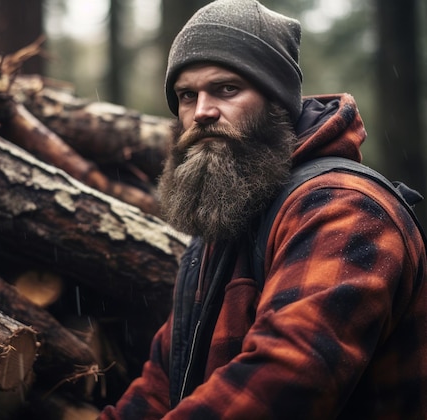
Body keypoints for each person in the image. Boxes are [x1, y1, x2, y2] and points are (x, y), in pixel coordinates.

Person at [99, 0, 427, 418]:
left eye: (227, 89)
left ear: (277, 102)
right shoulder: (227, 223)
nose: (201, 112)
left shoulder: (346, 211)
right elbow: (164, 382)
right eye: (186, 95)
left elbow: (284, 383)